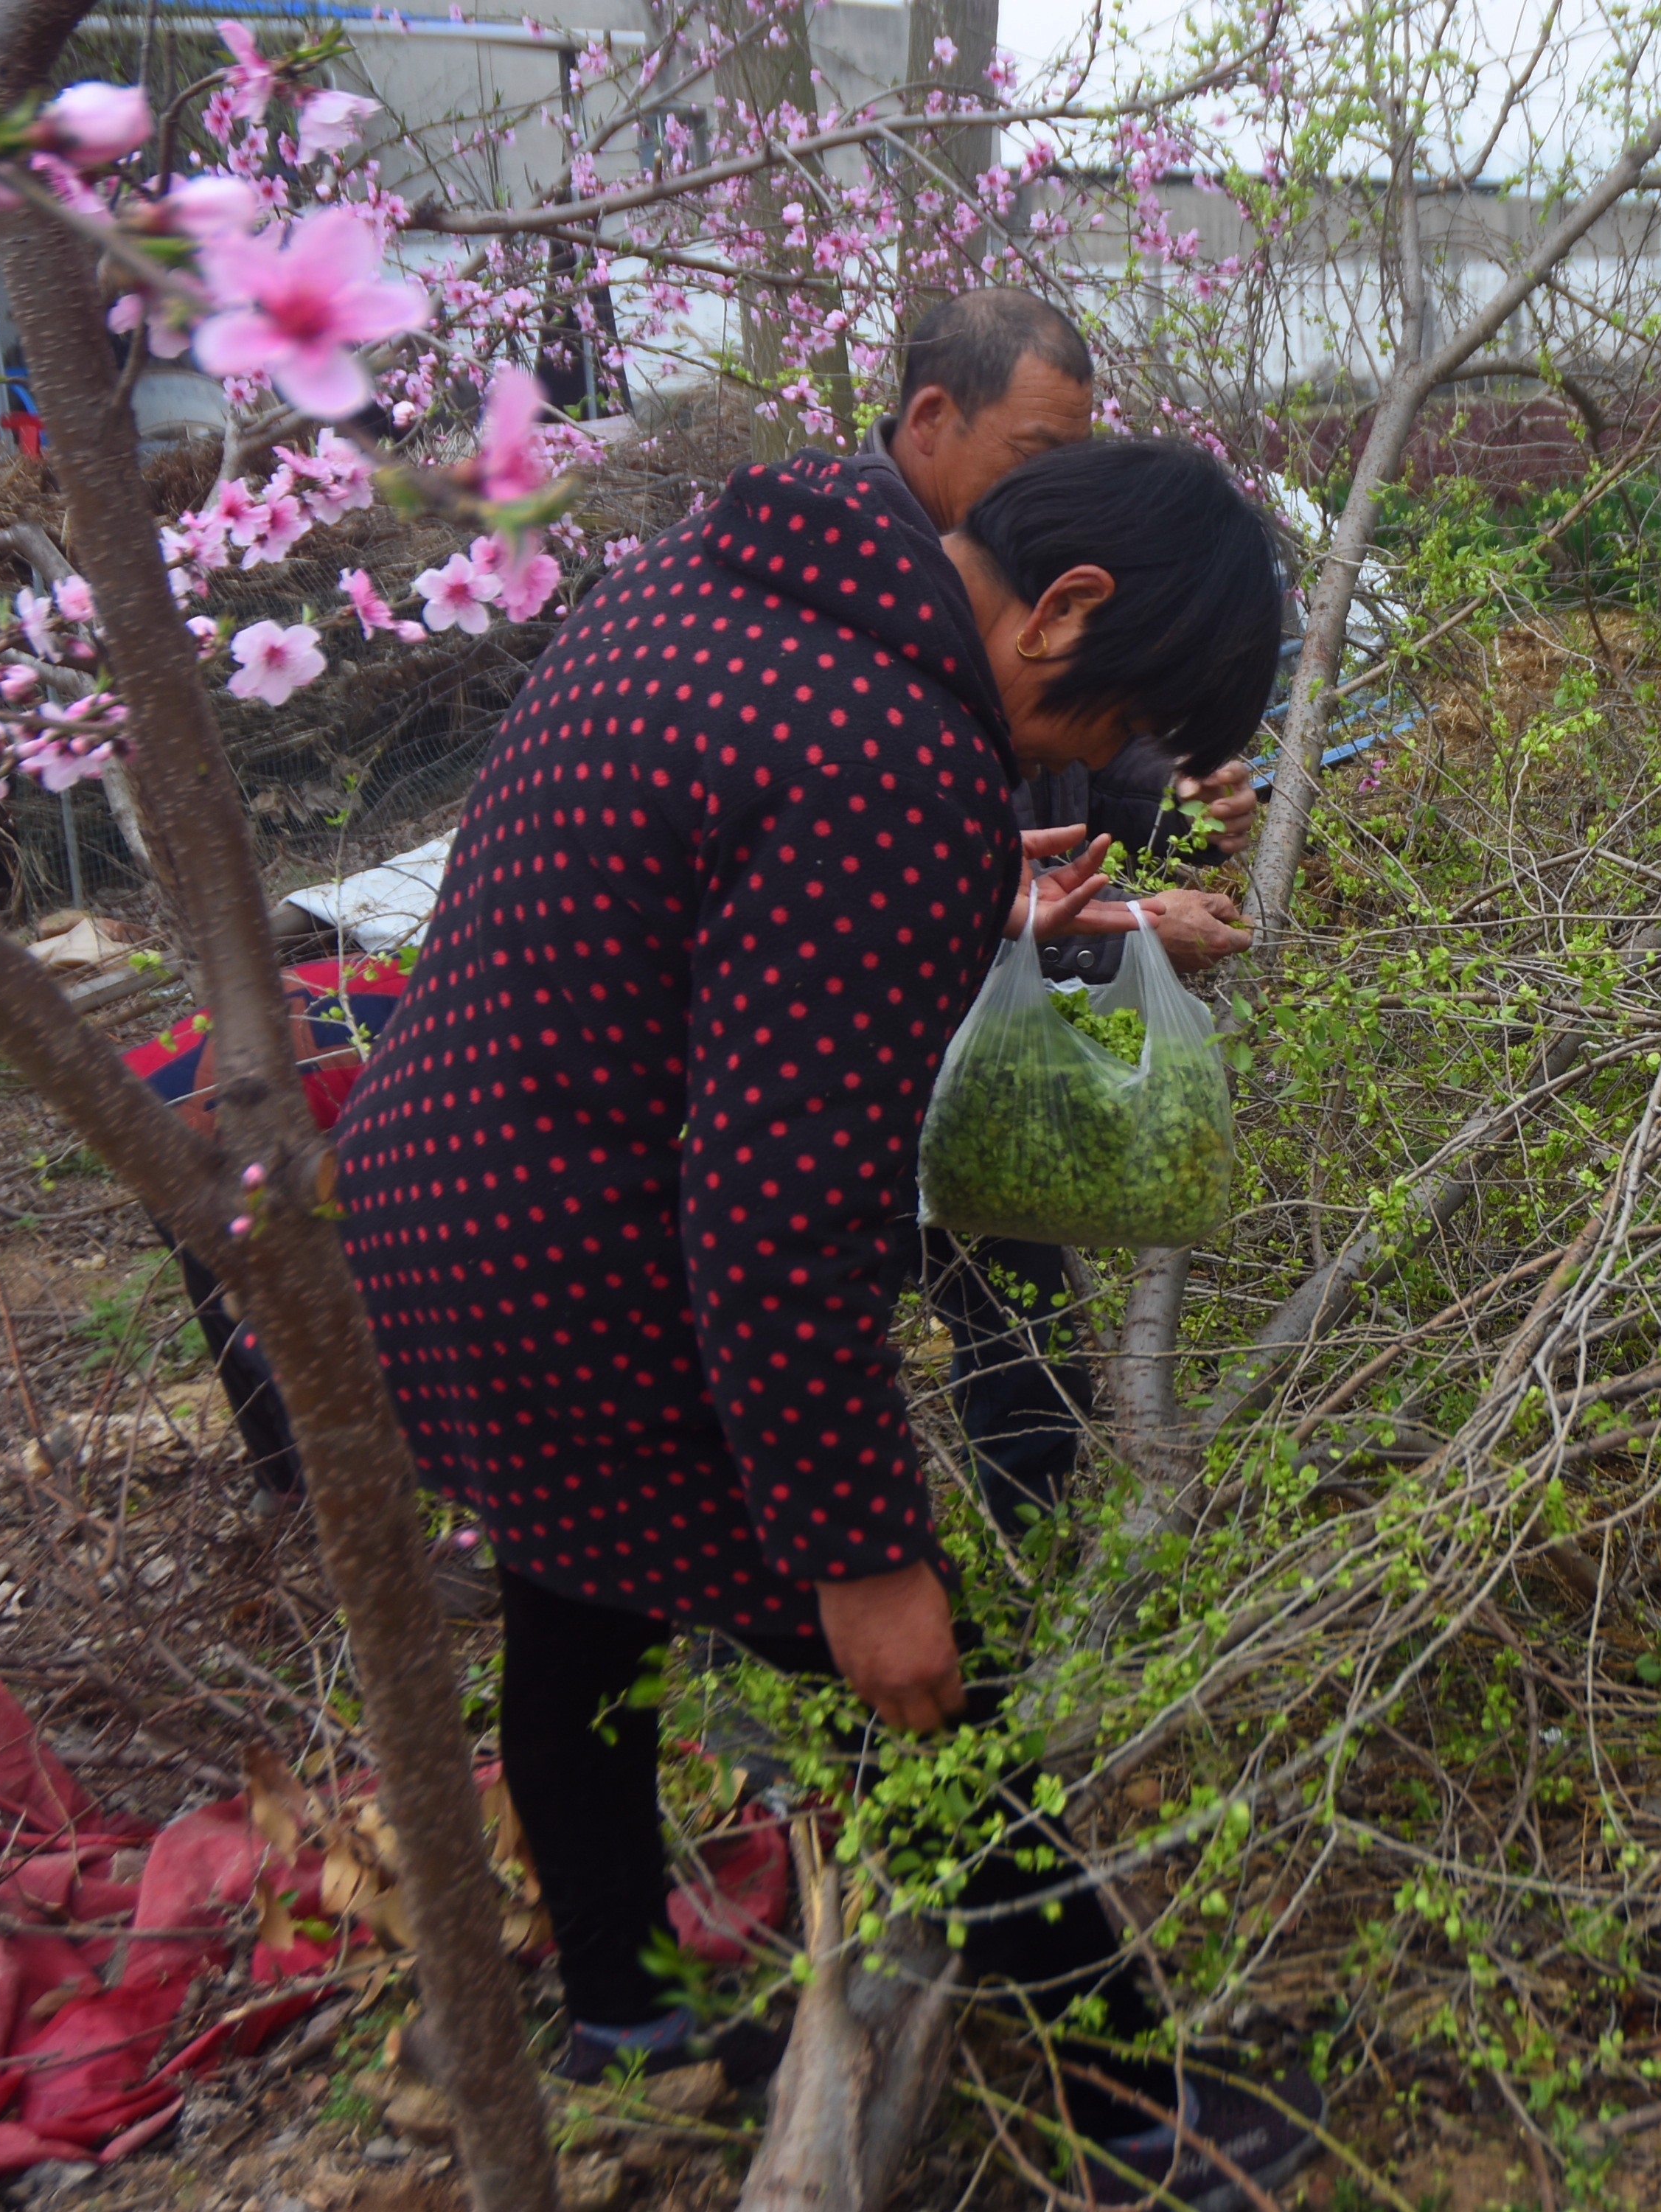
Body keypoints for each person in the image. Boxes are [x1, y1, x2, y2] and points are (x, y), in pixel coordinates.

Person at [332, 435, 1318, 2208]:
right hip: (580, 1256)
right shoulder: (889, 755)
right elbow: (778, 1214)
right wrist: (860, 1551)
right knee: (924, 1686)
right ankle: (1139, 2103)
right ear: (1069, 608)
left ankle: (621, 2015)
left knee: (576, 1595)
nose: (1098, 767)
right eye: (1116, 726)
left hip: (432, 1201)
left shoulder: (721, 587)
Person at [846, 285, 1261, 1534]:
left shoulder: (950, 614)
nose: (1055, 486)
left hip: (974, 1044)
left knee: (1022, 1340)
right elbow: (865, 909)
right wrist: (1128, 926)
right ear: (930, 417)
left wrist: (1178, 790)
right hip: (871, 1080)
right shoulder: (865, 657)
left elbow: (1060, 774)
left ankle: (1023, 1573)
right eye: (1038, 456)